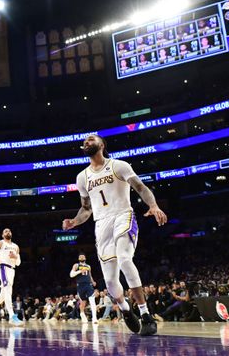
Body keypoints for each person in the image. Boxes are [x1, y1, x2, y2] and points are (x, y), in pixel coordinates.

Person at [62, 134, 167, 336]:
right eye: (84, 141)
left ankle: (146, 314)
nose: (86, 142)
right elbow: (86, 209)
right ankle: (126, 310)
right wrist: (74, 221)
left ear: (102, 145)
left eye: (91, 139)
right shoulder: (82, 177)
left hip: (123, 215)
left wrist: (153, 206)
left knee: (126, 259)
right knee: (110, 282)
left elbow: (140, 187)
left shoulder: (118, 165)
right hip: (101, 225)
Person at [70, 253, 98, 324]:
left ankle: (94, 318)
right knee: (83, 303)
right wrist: (79, 271)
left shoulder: (88, 266)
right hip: (80, 286)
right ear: (79, 259)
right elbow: (71, 275)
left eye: (83, 256)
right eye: (80, 256)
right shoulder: (76, 265)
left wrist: (93, 281)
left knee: (92, 300)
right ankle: (82, 314)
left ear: (85, 258)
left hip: (88, 285)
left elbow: (90, 275)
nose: (82, 257)